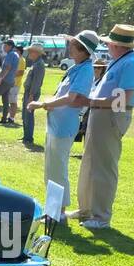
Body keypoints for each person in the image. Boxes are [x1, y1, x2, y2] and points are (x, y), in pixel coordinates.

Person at [74, 23, 134, 230]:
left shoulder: (131, 63)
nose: (107, 47)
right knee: (89, 163)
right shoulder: (121, 61)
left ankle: (101, 216)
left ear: (118, 46)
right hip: (100, 115)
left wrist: (92, 102)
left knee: (103, 167)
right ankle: (86, 209)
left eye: (109, 43)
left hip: (111, 116)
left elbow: (125, 97)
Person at [26, 29, 98, 214]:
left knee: (58, 169)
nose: (70, 48)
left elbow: (72, 97)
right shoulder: (77, 67)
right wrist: (50, 104)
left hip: (64, 126)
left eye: (73, 45)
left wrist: (43, 103)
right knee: (51, 168)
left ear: (82, 49)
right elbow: (63, 95)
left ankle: (60, 210)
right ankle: (53, 208)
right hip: (56, 124)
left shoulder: (85, 69)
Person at [20, 42, 47, 147]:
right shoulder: (35, 63)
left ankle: (28, 137)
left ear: (37, 53)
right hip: (28, 92)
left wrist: (31, 95)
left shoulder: (39, 65)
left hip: (32, 93)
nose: (29, 53)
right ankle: (25, 136)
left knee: (28, 115)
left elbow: (36, 82)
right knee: (24, 114)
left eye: (31, 51)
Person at [0, 39, 18, 125]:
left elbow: (7, 68)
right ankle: (4, 118)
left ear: (10, 46)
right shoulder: (15, 54)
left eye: (5, 46)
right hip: (11, 80)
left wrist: (0, 79)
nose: (4, 47)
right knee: (5, 100)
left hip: (5, 80)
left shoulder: (10, 55)